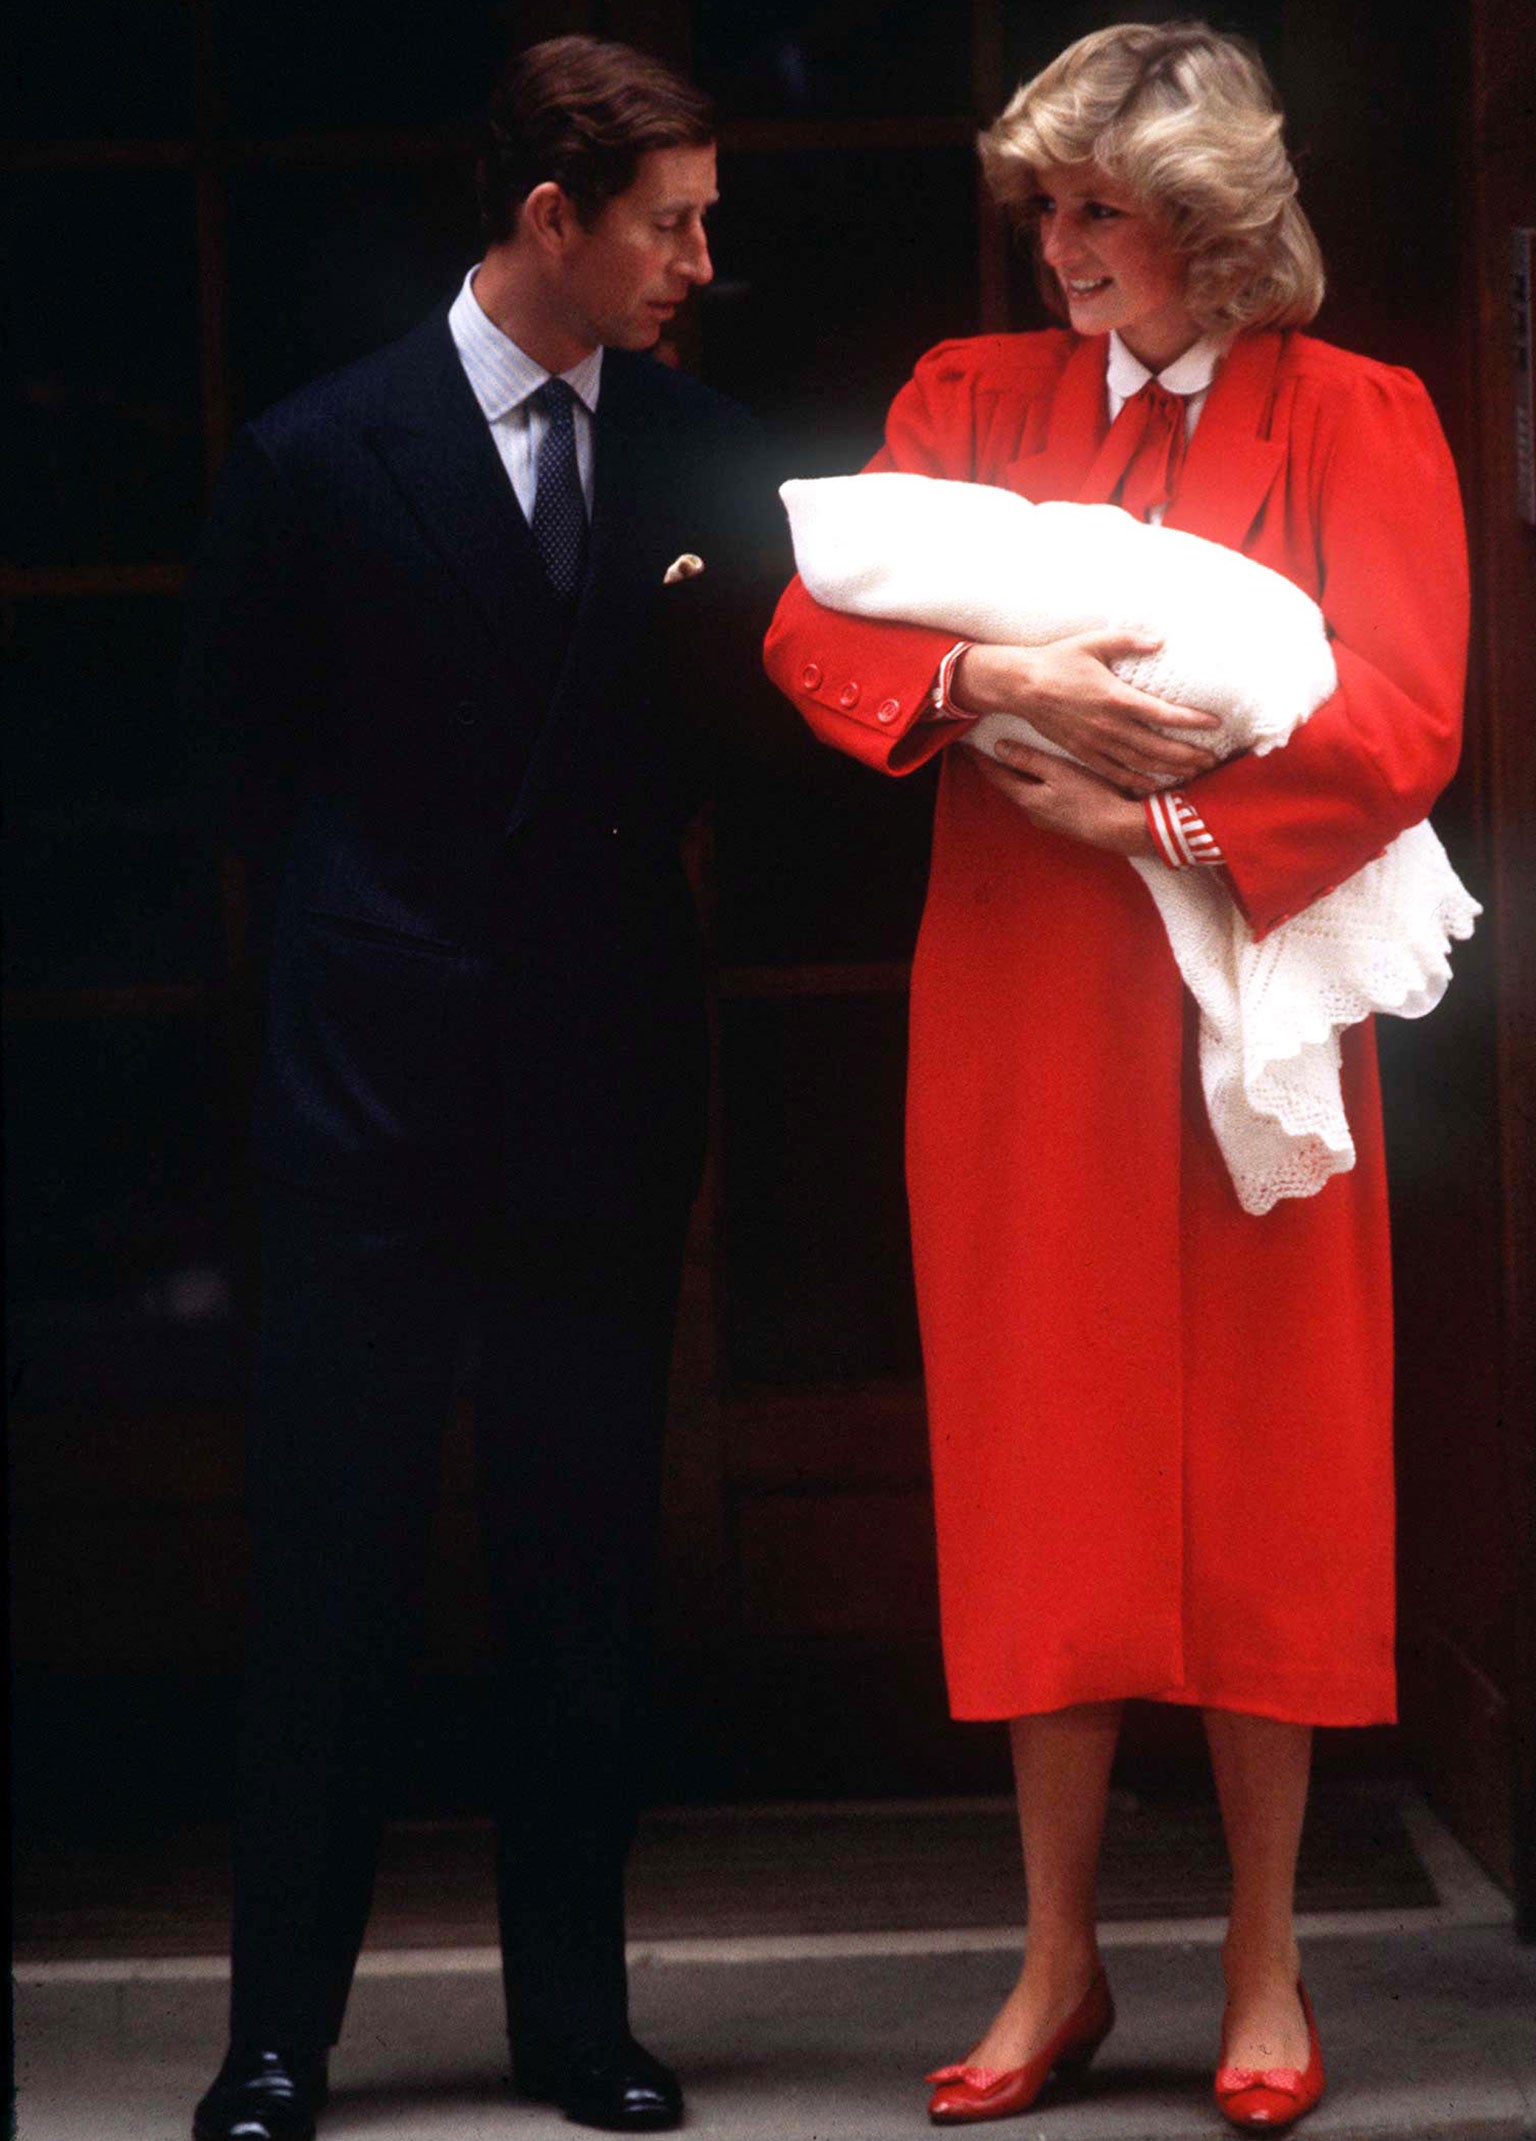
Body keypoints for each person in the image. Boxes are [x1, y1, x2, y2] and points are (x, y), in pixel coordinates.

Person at [764, 20, 1467, 2133]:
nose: (1057, 248)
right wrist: (988, 676)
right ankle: (1056, 1958)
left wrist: (1169, 829)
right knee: (1040, 1455)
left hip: (1253, 998)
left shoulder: (1361, 413)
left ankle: (1267, 1962)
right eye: (1047, 209)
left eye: (1100, 213)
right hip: (1015, 1008)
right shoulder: (964, 403)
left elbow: (1410, 709)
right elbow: (815, 631)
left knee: (1281, 1459)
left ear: (1214, 230)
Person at [184, 34, 765, 2141]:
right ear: (555, 224)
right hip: (373, 1108)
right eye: (674, 219)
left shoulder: (702, 454)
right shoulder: (321, 457)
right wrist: (377, 984)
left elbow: (734, 755)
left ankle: (573, 2023)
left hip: (601, 1094)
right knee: (328, 1578)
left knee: (581, 1577)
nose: (706, 255)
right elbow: (246, 776)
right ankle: (275, 2043)